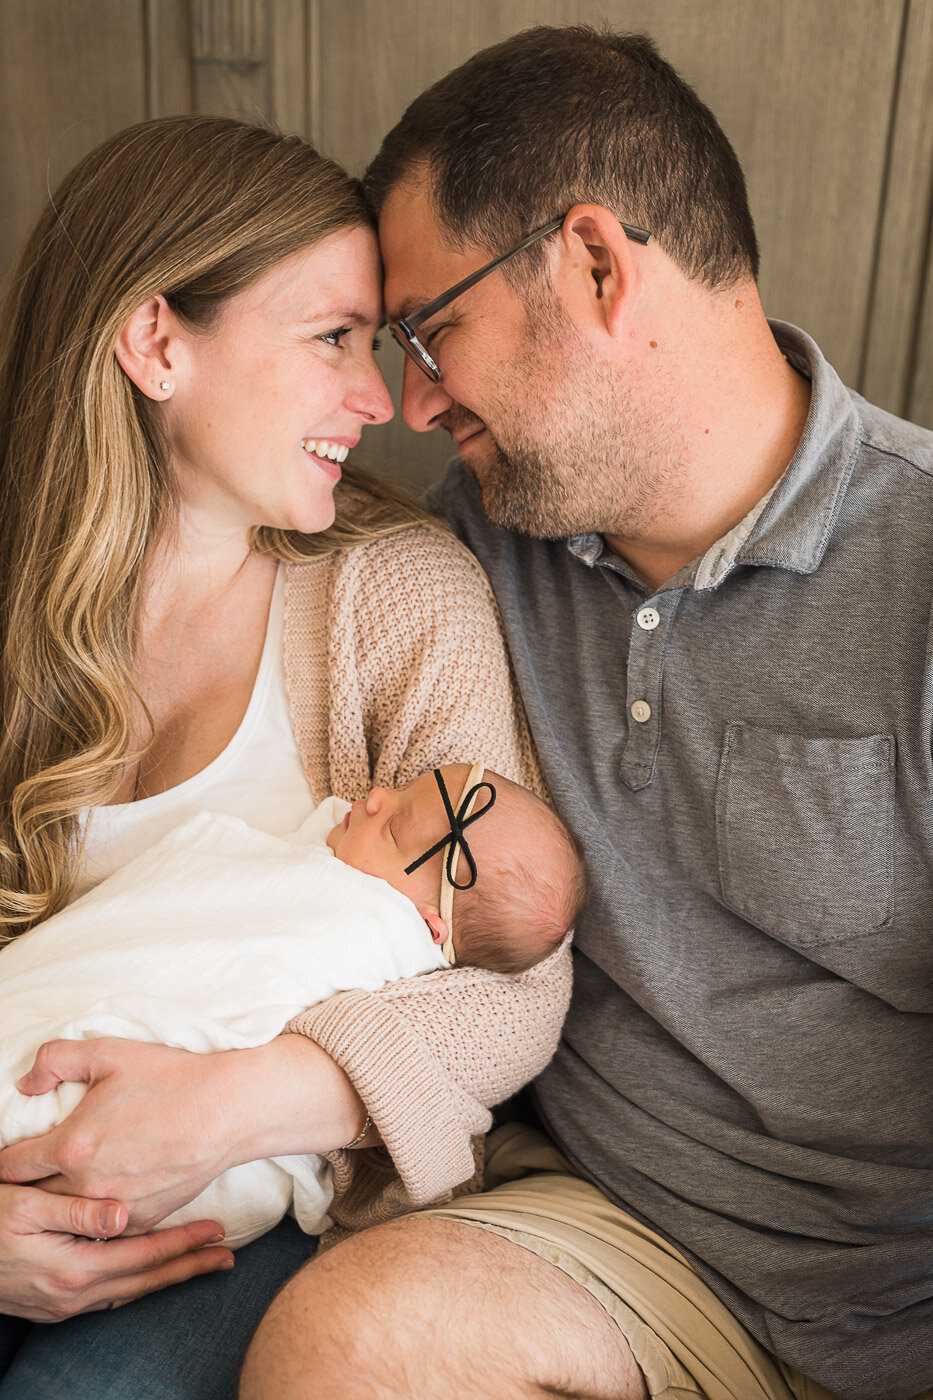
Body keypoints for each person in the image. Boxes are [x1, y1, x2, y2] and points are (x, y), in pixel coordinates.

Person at [240, 25, 933, 1400]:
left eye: (432, 332)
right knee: (347, 1346)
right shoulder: (475, 548)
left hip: (891, 1305)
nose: (410, 401)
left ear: (598, 266)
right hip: (608, 1242)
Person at [0, 115, 573, 1398]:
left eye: (373, 348)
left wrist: (226, 1108)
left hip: (259, 1196)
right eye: (331, 340)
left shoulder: (399, 598)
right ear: (157, 343)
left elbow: (517, 983)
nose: (382, 401)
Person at [0, 763, 583, 1250]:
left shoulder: (376, 930)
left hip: (176, 1149)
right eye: (401, 789)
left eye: (396, 829)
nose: (377, 796)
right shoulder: (353, 854)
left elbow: (519, 1011)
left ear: (428, 926)